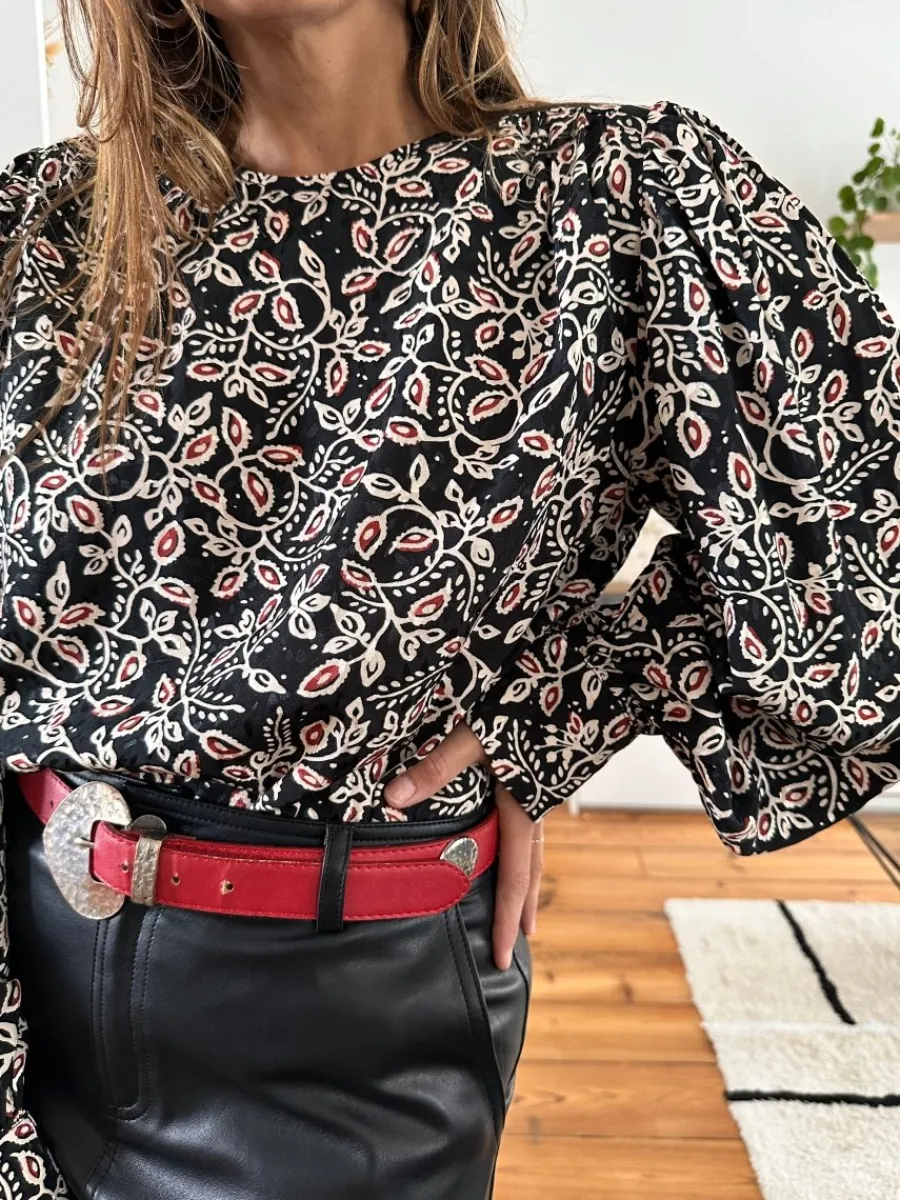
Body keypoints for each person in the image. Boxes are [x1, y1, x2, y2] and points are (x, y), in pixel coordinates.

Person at [1, 0, 900, 1197]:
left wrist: (569, 698)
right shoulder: (38, 230)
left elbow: (867, 543)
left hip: (341, 1031)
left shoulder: (622, 200)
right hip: (29, 976)